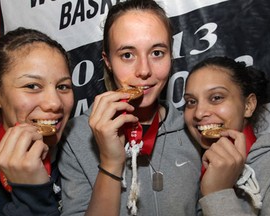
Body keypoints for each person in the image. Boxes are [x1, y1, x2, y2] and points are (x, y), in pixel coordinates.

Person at [58, 0, 202, 215]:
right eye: (127, 55)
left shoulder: (194, 127)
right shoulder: (77, 136)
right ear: (108, 61)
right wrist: (110, 162)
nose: (144, 70)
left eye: (157, 53)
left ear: (171, 55)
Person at [0, 27, 74, 215]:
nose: (55, 103)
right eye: (32, 86)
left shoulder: (79, 154)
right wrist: (32, 194)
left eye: (63, 86)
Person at [183, 56, 270, 215]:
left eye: (216, 97)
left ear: (248, 106)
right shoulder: (190, 170)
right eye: (191, 101)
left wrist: (218, 193)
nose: (199, 112)